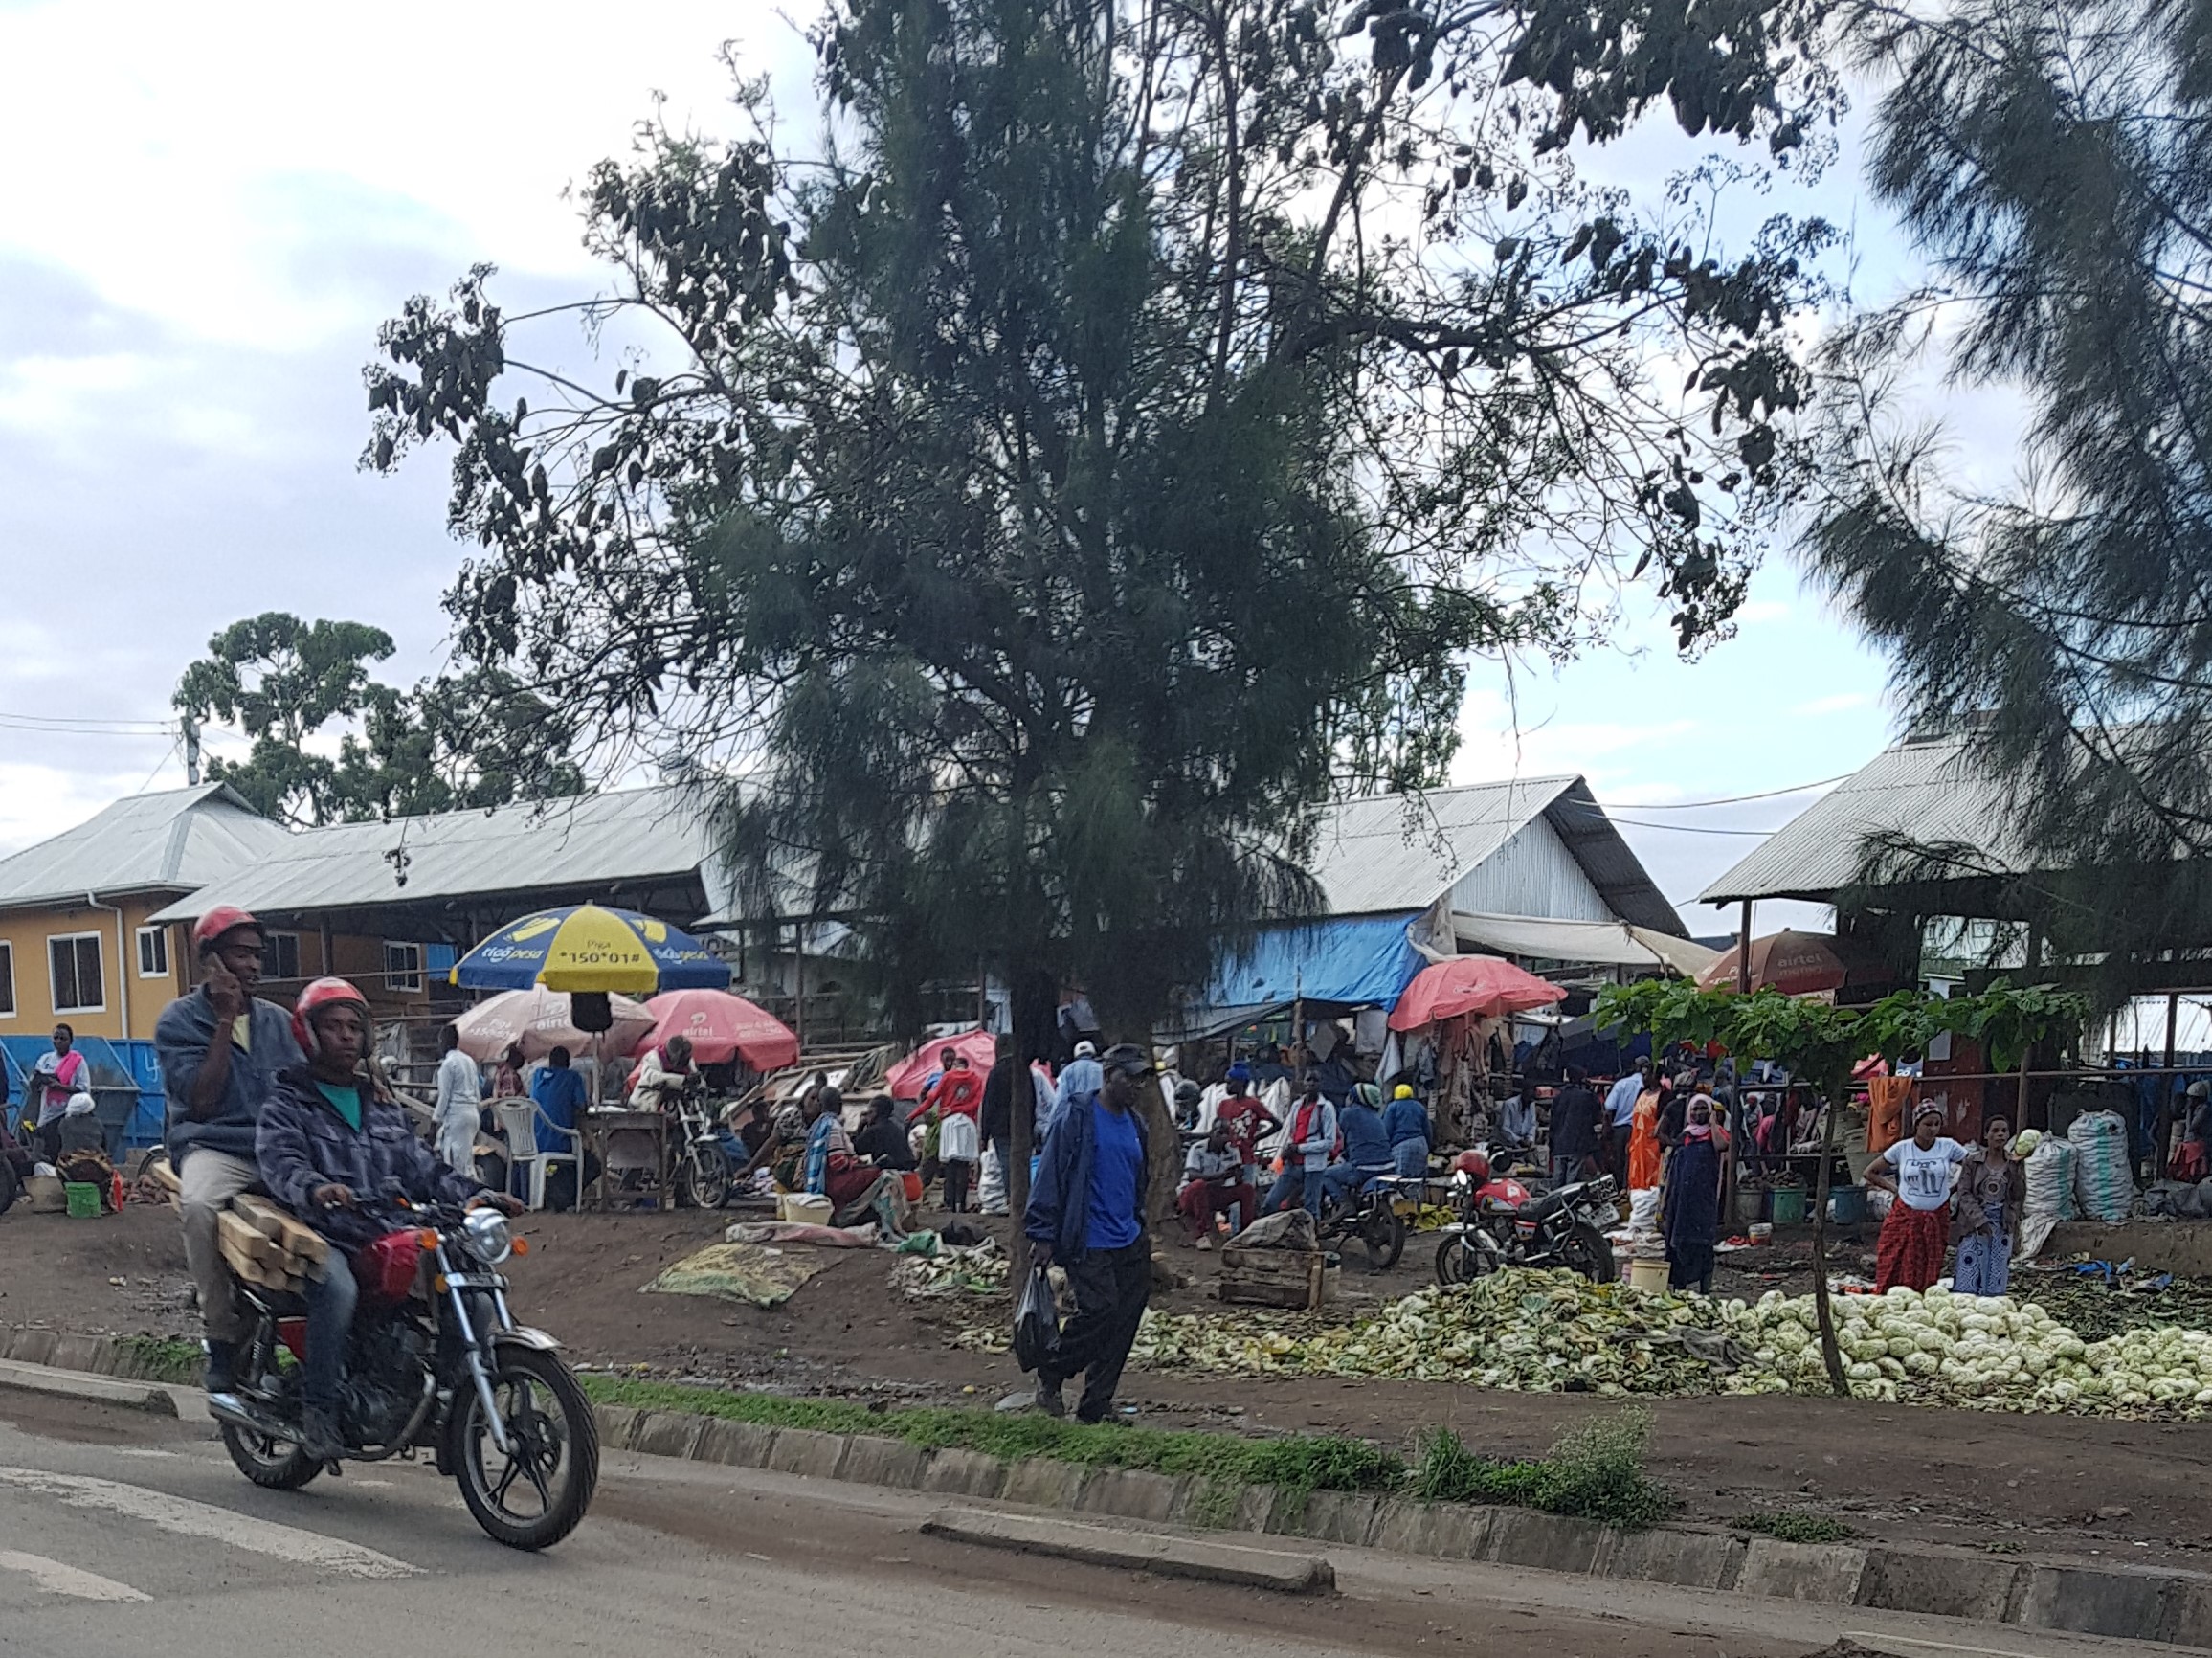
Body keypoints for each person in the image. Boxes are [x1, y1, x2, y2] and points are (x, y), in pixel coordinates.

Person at [256, 978, 520, 1462]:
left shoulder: (381, 1106)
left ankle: (449, 1411)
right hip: (328, 1232)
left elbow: (425, 1168)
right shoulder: (288, 1101)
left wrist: (478, 1195)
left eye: (354, 1027)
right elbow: (282, 1163)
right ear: (309, 1034)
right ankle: (320, 1408)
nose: (346, 1036)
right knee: (339, 1290)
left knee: (474, 1295)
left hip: (385, 1227)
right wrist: (317, 1188)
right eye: (333, 1026)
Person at [154, 907, 303, 1394]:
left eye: (258, 955)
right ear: (210, 961)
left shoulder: (281, 1023)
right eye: (241, 954)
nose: (254, 965)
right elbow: (201, 1101)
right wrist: (223, 1022)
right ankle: (220, 1336)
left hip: (279, 1150)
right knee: (198, 1209)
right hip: (215, 1146)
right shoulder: (178, 1021)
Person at [1025, 1042, 1152, 1422]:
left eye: (1140, 1078)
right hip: (1088, 1236)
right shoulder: (1078, 1116)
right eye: (1128, 1076)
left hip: (1128, 1236)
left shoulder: (1136, 1124)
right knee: (1100, 1310)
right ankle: (1052, 1371)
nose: (1135, 1085)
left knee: (1125, 1318)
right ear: (1107, 1074)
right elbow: (1051, 1173)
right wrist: (1042, 1232)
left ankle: (1096, 1404)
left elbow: (1136, 1179)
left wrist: (1140, 1223)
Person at [1865, 1103, 1972, 1292]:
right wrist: (1894, 1189)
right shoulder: (1902, 1149)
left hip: (1937, 1215)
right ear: (1917, 1124)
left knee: (1930, 1258)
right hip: (1906, 1214)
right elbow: (1870, 1172)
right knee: (1893, 1254)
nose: (1932, 1129)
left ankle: (1923, 1294)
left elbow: (1973, 1167)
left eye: (1936, 1124)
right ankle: (1892, 1293)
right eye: (1927, 1124)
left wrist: (1954, 1189)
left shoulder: (1948, 1146)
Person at [1951, 1114, 2027, 1296]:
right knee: (1969, 1270)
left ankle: (1992, 1307)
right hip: (1974, 1224)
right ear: (1986, 1135)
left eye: (2004, 1131)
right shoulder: (1973, 1162)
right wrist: (1980, 1220)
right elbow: (1964, 1192)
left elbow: (2018, 1195)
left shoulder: (2013, 1163)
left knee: (1997, 1272)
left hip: (2001, 1224)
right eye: (1995, 1131)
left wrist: (2017, 1170)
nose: (2000, 1135)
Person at [1664, 1093, 1729, 1291]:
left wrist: (1713, 1124)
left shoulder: (1716, 1134)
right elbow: (1671, 1171)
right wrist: (1664, 1203)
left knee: (1703, 1244)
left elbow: (1721, 1146)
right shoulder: (1684, 1136)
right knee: (1679, 1243)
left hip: (1703, 1199)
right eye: (1695, 1109)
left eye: (1703, 1108)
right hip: (1681, 1200)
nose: (1698, 1112)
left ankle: (1704, 1289)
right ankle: (1680, 1288)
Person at [528, 1046, 592, 1210]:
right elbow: (581, 1106)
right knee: (592, 1162)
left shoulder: (537, 1076)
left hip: (534, 1141)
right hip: (559, 1141)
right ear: (568, 1063)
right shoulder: (572, 1078)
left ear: (550, 1062)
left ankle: (552, 1195)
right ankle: (568, 1199)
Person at [1264, 1077, 1339, 1215]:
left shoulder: (1326, 1108)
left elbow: (1330, 1142)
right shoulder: (1297, 1106)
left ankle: (1312, 1235)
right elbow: (1290, 1132)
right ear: (1303, 1083)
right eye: (1308, 1080)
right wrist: (1285, 1151)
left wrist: (1300, 1148)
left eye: (1315, 1081)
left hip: (1314, 1165)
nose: (1311, 1084)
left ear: (1320, 1084)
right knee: (1271, 1202)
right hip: (1293, 1163)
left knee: (1311, 1208)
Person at [1175, 1122, 1253, 1250]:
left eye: (1225, 1134)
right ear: (1211, 1133)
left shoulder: (1232, 1152)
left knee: (1247, 1189)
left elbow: (1237, 1179)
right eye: (1219, 1133)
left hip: (1216, 1194)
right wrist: (1220, 1176)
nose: (1221, 1137)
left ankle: (1245, 1233)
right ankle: (1202, 1235)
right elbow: (1192, 1176)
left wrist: (1238, 1175)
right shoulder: (1197, 1149)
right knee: (1199, 1185)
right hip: (1191, 1196)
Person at [1318, 1082, 1395, 1209]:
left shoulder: (1348, 1113)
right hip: (1389, 1166)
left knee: (1325, 1174)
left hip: (1363, 1169)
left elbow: (1341, 1137)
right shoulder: (1377, 1116)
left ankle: (1344, 1205)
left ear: (1354, 1097)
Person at [927, 1052, 983, 1210]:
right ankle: (960, 1203)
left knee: (951, 1166)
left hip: (950, 1124)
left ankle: (950, 1202)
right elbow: (975, 1105)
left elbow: (932, 1097)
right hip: (965, 1125)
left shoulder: (947, 1079)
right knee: (962, 1167)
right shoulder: (974, 1081)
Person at [28, 1024, 92, 1163]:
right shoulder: (45, 1060)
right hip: (46, 1113)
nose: (59, 1041)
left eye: (63, 1038)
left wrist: (61, 1087)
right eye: (56, 1038)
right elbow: (33, 1082)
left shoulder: (78, 1061)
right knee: (42, 1150)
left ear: (71, 1041)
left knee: (59, 1150)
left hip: (67, 1114)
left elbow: (83, 1088)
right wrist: (39, 1080)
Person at [431, 1023, 481, 1175]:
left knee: (455, 1164)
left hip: (457, 1116)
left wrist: (434, 1121)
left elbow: (444, 1097)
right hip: (473, 1115)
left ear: (443, 1042)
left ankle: (462, 1195)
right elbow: (477, 1094)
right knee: (467, 1162)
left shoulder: (447, 1065)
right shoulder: (469, 1061)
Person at [979, 1036, 1018, 1215]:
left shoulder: (996, 1073)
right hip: (1021, 1127)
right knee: (1020, 1164)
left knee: (1006, 1164)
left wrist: (984, 1135)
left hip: (1000, 1128)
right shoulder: (1022, 1071)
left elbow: (989, 1104)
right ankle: (1020, 1199)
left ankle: (1012, 1200)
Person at [1548, 1066, 1603, 1185]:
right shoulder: (1587, 1096)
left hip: (1559, 1145)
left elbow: (1553, 1121)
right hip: (1577, 1144)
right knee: (1571, 1183)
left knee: (1557, 1181)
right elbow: (1596, 1116)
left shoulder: (1559, 1097)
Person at [1605, 1059, 1651, 1179]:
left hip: (1620, 1129)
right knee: (1635, 1160)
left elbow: (1609, 1107)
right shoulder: (1646, 1086)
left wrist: (1607, 1127)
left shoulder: (1621, 1084)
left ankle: (1621, 1189)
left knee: (1619, 1161)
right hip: (1640, 1128)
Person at [628, 1035, 697, 1111]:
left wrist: (698, 1081)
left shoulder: (688, 1061)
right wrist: (682, 1080)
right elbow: (652, 1077)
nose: (684, 1060)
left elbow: (694, 1075)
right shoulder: (654, 1057)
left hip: (675, 1100)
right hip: (643, 1103)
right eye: (682, 1056)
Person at [1381, 1083, 1431, 1181]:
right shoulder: (1419, 1106)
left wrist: (1385, 1147)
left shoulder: (1392, 1107)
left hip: (1402, 1145)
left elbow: (1387, 1129)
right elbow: (1428, 1130)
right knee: (1419, 1179)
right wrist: (1429, 1147)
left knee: (1401, 1179)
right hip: (1420, 1144)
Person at [854, 1094, 917, 1169]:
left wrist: (860, 1126)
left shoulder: (875, 1130)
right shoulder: (895, 1126)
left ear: (874, 1112)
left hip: (891, 1170)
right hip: (907, 1167)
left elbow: (857, 1149)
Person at [2175, 1081, 2212, 1183]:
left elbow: (2191, 1127)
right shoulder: (2196, 1108)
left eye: (2192, 1098)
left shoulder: (2204, 1109)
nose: (2189, 1100)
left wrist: (2189, 1111)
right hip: (2192, 1143)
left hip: (2200, 1144)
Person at [1055, 1040, 1103, 1109]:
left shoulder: (1066, 1071)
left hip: (1076, 1115)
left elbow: (1060, 1099)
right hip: (1098, 1113)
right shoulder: (1100, 1068)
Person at [1496, 1077, 1537, 1150]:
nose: (1529, 1102)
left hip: (1523, 1142)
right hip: (1506, 1142)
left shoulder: (1531, 1104)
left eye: (1531, 1100)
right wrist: (1519, 1140)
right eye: (1529, 1099)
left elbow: (1532, 1125)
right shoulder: (1509, 1104)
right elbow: (1504, 1128)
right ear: (1524, 1093)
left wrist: (1530, 1139)